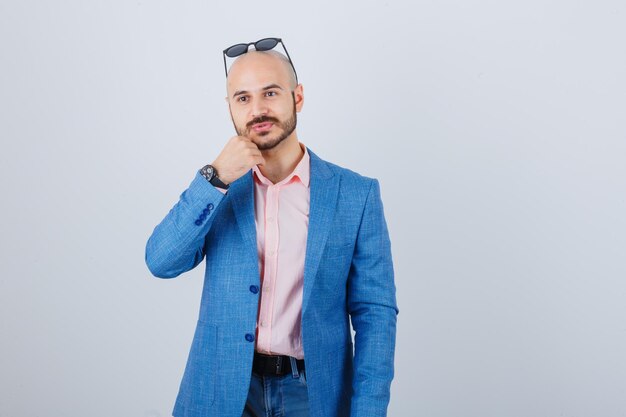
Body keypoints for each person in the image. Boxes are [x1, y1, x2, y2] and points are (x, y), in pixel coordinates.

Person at [145, 37, 398, 417]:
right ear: (230, 107)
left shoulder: (355, 194)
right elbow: (161, 261)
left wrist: (369, 410)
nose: (257, 109)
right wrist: (214, 180)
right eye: (242, 98)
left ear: (297, 97)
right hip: (223, 392)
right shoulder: (220, 190)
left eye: (270, 93)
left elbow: (375, 312)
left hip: (313, 396)